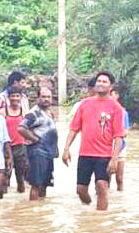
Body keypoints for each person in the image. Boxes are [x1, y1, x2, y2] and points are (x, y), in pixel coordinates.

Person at [62, 71, 126, 211]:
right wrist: (66, 149)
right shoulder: (84, 104)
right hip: (85, 154)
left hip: (104, 155)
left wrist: (114, 159)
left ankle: (100, 221)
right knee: (81, 190)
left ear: (111, 86)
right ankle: (89, 211)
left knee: (102, 187)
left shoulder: (116, 108)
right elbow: (74, 128)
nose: (101, 83)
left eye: (104, 81)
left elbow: (118, 136)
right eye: (99, 81)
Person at [18, 86, 58, 201]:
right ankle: (33, 210)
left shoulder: (49, 112)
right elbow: (21, 128)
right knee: (36, 184)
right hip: (38, 152)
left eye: (49, 97)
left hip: (48, 152)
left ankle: (41, 209)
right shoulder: (34, 113)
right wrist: (35, 139)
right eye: (43, 97)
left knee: (45, 183)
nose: (46, 99)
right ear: (37, 98)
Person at [2, 85, 29, 193]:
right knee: (5, 178)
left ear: (21, 98)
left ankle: (21, 203)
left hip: (21, 147)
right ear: (8, 97)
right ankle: (3, 202)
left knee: (20, 178)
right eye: (12, 96)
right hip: (6, 147)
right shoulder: (2, 113)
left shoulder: (25, 113)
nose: (15, 98)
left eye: (17, 96)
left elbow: (30, 130)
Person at [109, 88, 130, 191]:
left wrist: (117, 134)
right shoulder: (105, 111)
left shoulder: (123, 113)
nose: (110, 97)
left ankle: (120, 197)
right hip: (106, 146)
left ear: (117, 96)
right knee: (105, 177)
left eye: (112, 94)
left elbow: (125, 132)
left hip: (120, 146)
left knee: (119, 178)